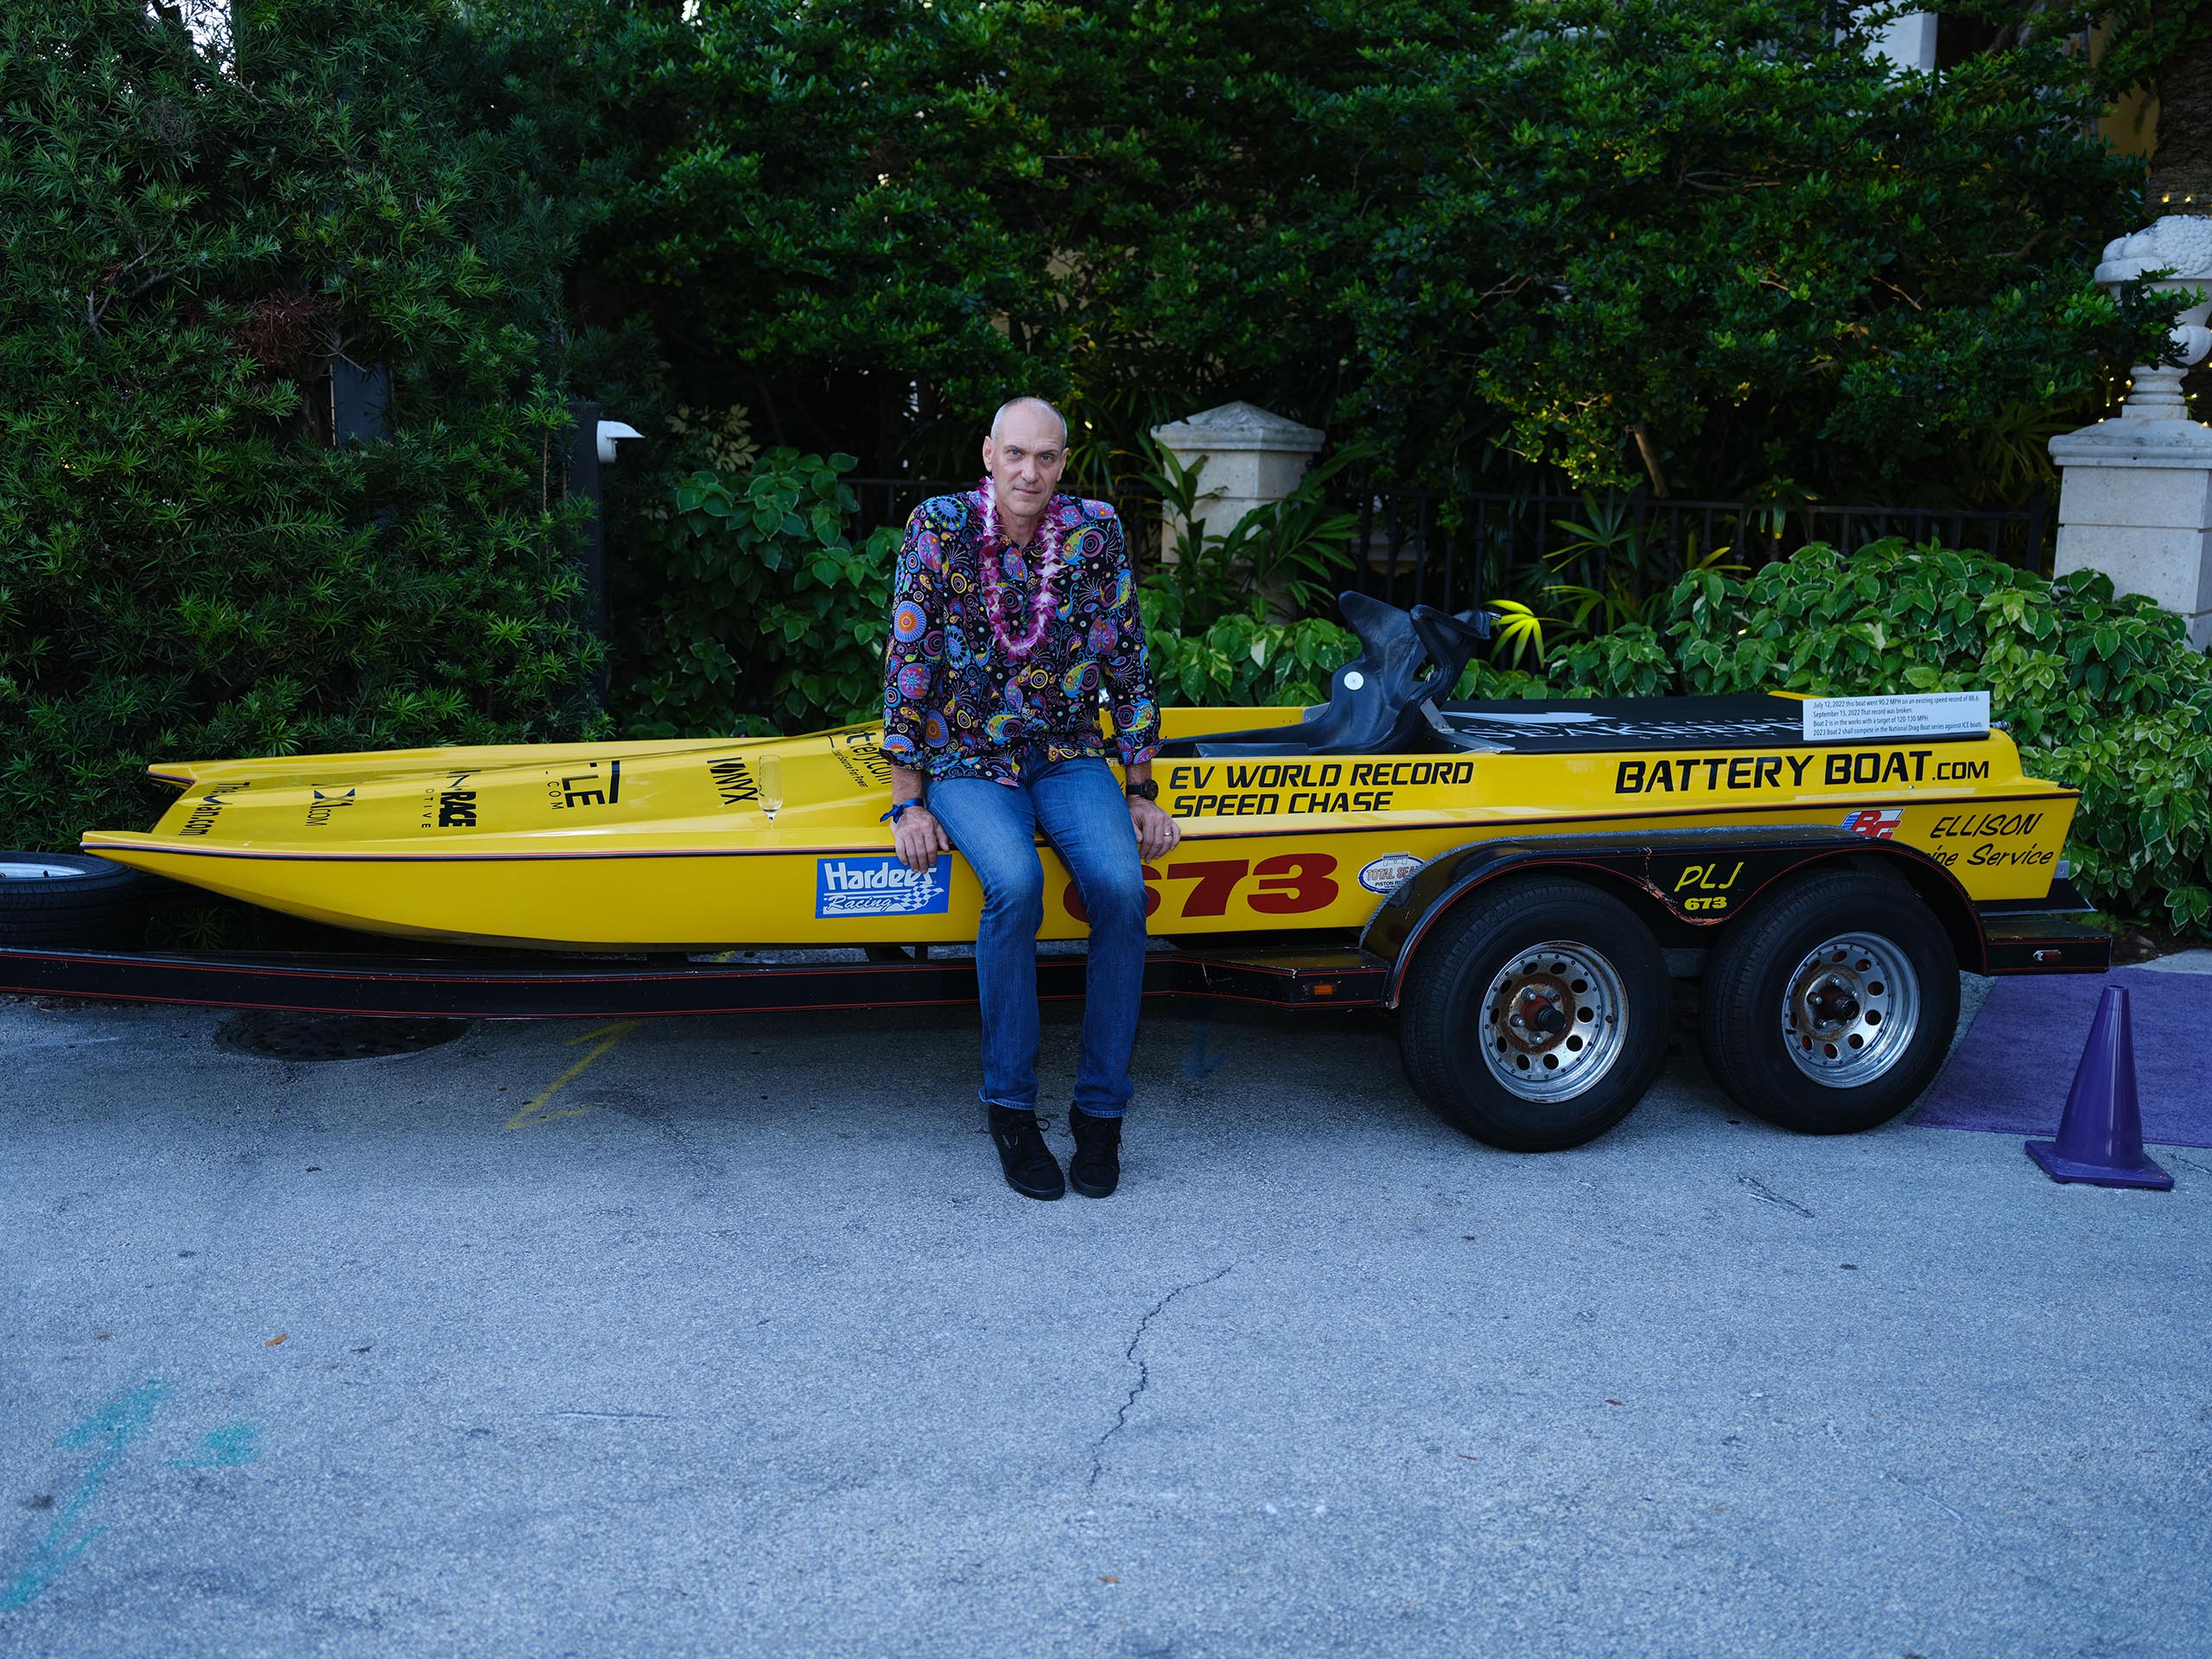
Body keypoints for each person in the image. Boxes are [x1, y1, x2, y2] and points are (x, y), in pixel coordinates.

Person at [880, 397, 1179, 1201]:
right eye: (1016, 454)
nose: (1030, 472)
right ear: (988, 454)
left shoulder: (1096, 529)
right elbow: (909, 661)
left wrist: (1142, 788)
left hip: (1069, 752)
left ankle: (1100, 1114)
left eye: (1046, 458)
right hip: (969, 756)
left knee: (1122, 890)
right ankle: (1011, 1109)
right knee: (1014, 887)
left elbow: (1127, 662)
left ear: (1062, 463)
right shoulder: (937, 527)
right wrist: (910, 803)